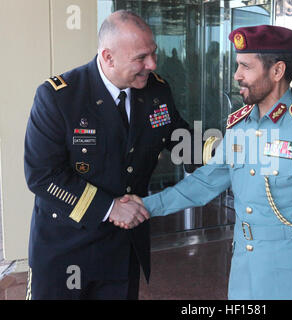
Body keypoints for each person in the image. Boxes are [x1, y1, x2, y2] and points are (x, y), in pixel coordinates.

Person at [123, 25, 292, 300]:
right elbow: (205, 182)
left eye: (246, 67)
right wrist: (145, 205)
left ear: (277, 71)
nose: (237, 76)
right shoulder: (240, 126)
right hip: (244, 268)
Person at [23, 10, 191, 299]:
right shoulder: (59, 97)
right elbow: (42, 176)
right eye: (140, 58)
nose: (151, 64)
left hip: (123, 248)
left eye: (153, 53)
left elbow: (180, 140)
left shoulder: (156, 91)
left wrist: (228, 152)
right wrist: (109, 207)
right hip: (66, 247)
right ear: (108, 57)